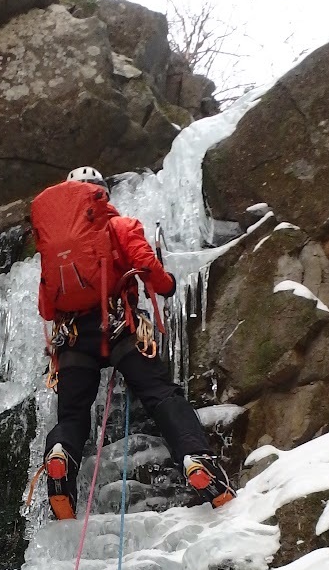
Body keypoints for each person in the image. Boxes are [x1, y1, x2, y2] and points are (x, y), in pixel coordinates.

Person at [34, 166, 234, 519]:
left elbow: (46, 308)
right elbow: (145, 264)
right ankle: (195, 458)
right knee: (160, 395)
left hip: (74, 340)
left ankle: (60, 458)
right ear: (101, 195)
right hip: (118, 328)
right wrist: (168, 284)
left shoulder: (53, 247)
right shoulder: (120, 226)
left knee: (72, 414)